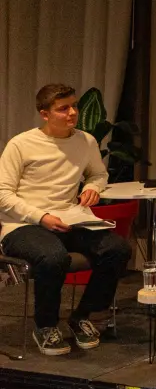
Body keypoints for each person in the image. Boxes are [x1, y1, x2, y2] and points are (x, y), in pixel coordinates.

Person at [0, 84, 132, 356]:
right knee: (53, 257)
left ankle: (84, 315)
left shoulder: (86, 141)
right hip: (23, 224)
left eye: (74, 106)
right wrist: (41, 216)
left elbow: (98, 174)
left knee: (117, 249)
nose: (72, 112)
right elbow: (3, 193)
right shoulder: (21, 144)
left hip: (69, 217)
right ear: (45, 114)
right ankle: (46, 325)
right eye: (63, 108)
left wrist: (93, 187)